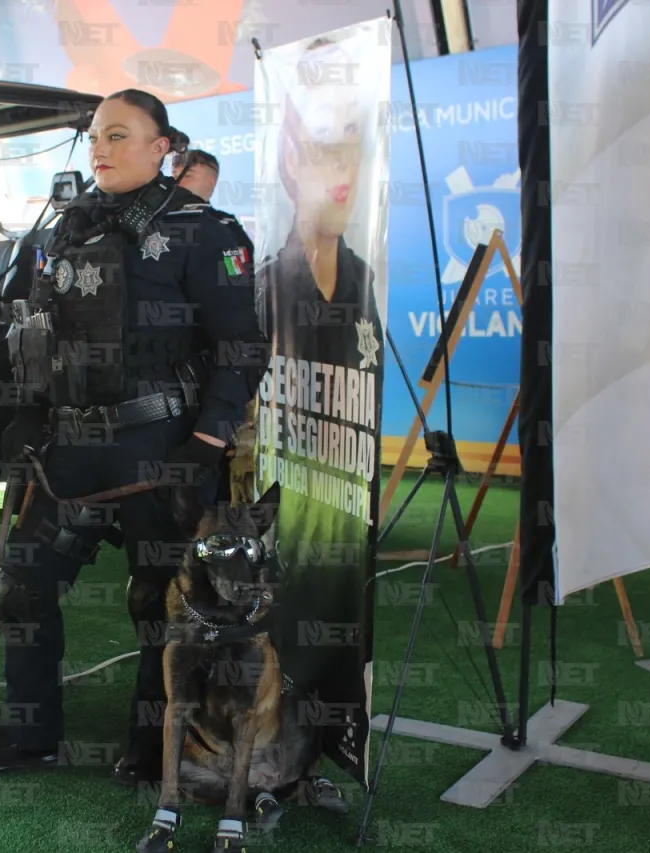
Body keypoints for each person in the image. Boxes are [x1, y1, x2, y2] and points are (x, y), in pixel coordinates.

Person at [0, 89, 266, 783]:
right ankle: (30, 734)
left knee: (157, 600)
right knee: (23, 585)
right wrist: (27, 407)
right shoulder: (69, 226)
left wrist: (209, 445)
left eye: (119, 136)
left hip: (161, 448)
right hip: (70, 446)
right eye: (96, 135)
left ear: (162, 148)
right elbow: (38, 330)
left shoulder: (204, 229)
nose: (100, 148)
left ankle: (155, 744)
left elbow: (242, 347)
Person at [251, 35, 385, 816]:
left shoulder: (367, 286)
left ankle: (324, 757)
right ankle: (269, 771)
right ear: (293, 159)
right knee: (285, 636)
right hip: (286, 518)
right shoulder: (270, 288)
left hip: (345, 522)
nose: (343, 172)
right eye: (327, 148)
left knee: (340, 630)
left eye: (355, 151)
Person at [172, 146, 254, 258]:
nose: (177, 182)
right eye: (174, 176)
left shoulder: (225, 224)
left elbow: (237, 272)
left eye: (187, 175)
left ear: (211, 182)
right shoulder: (156, 219)